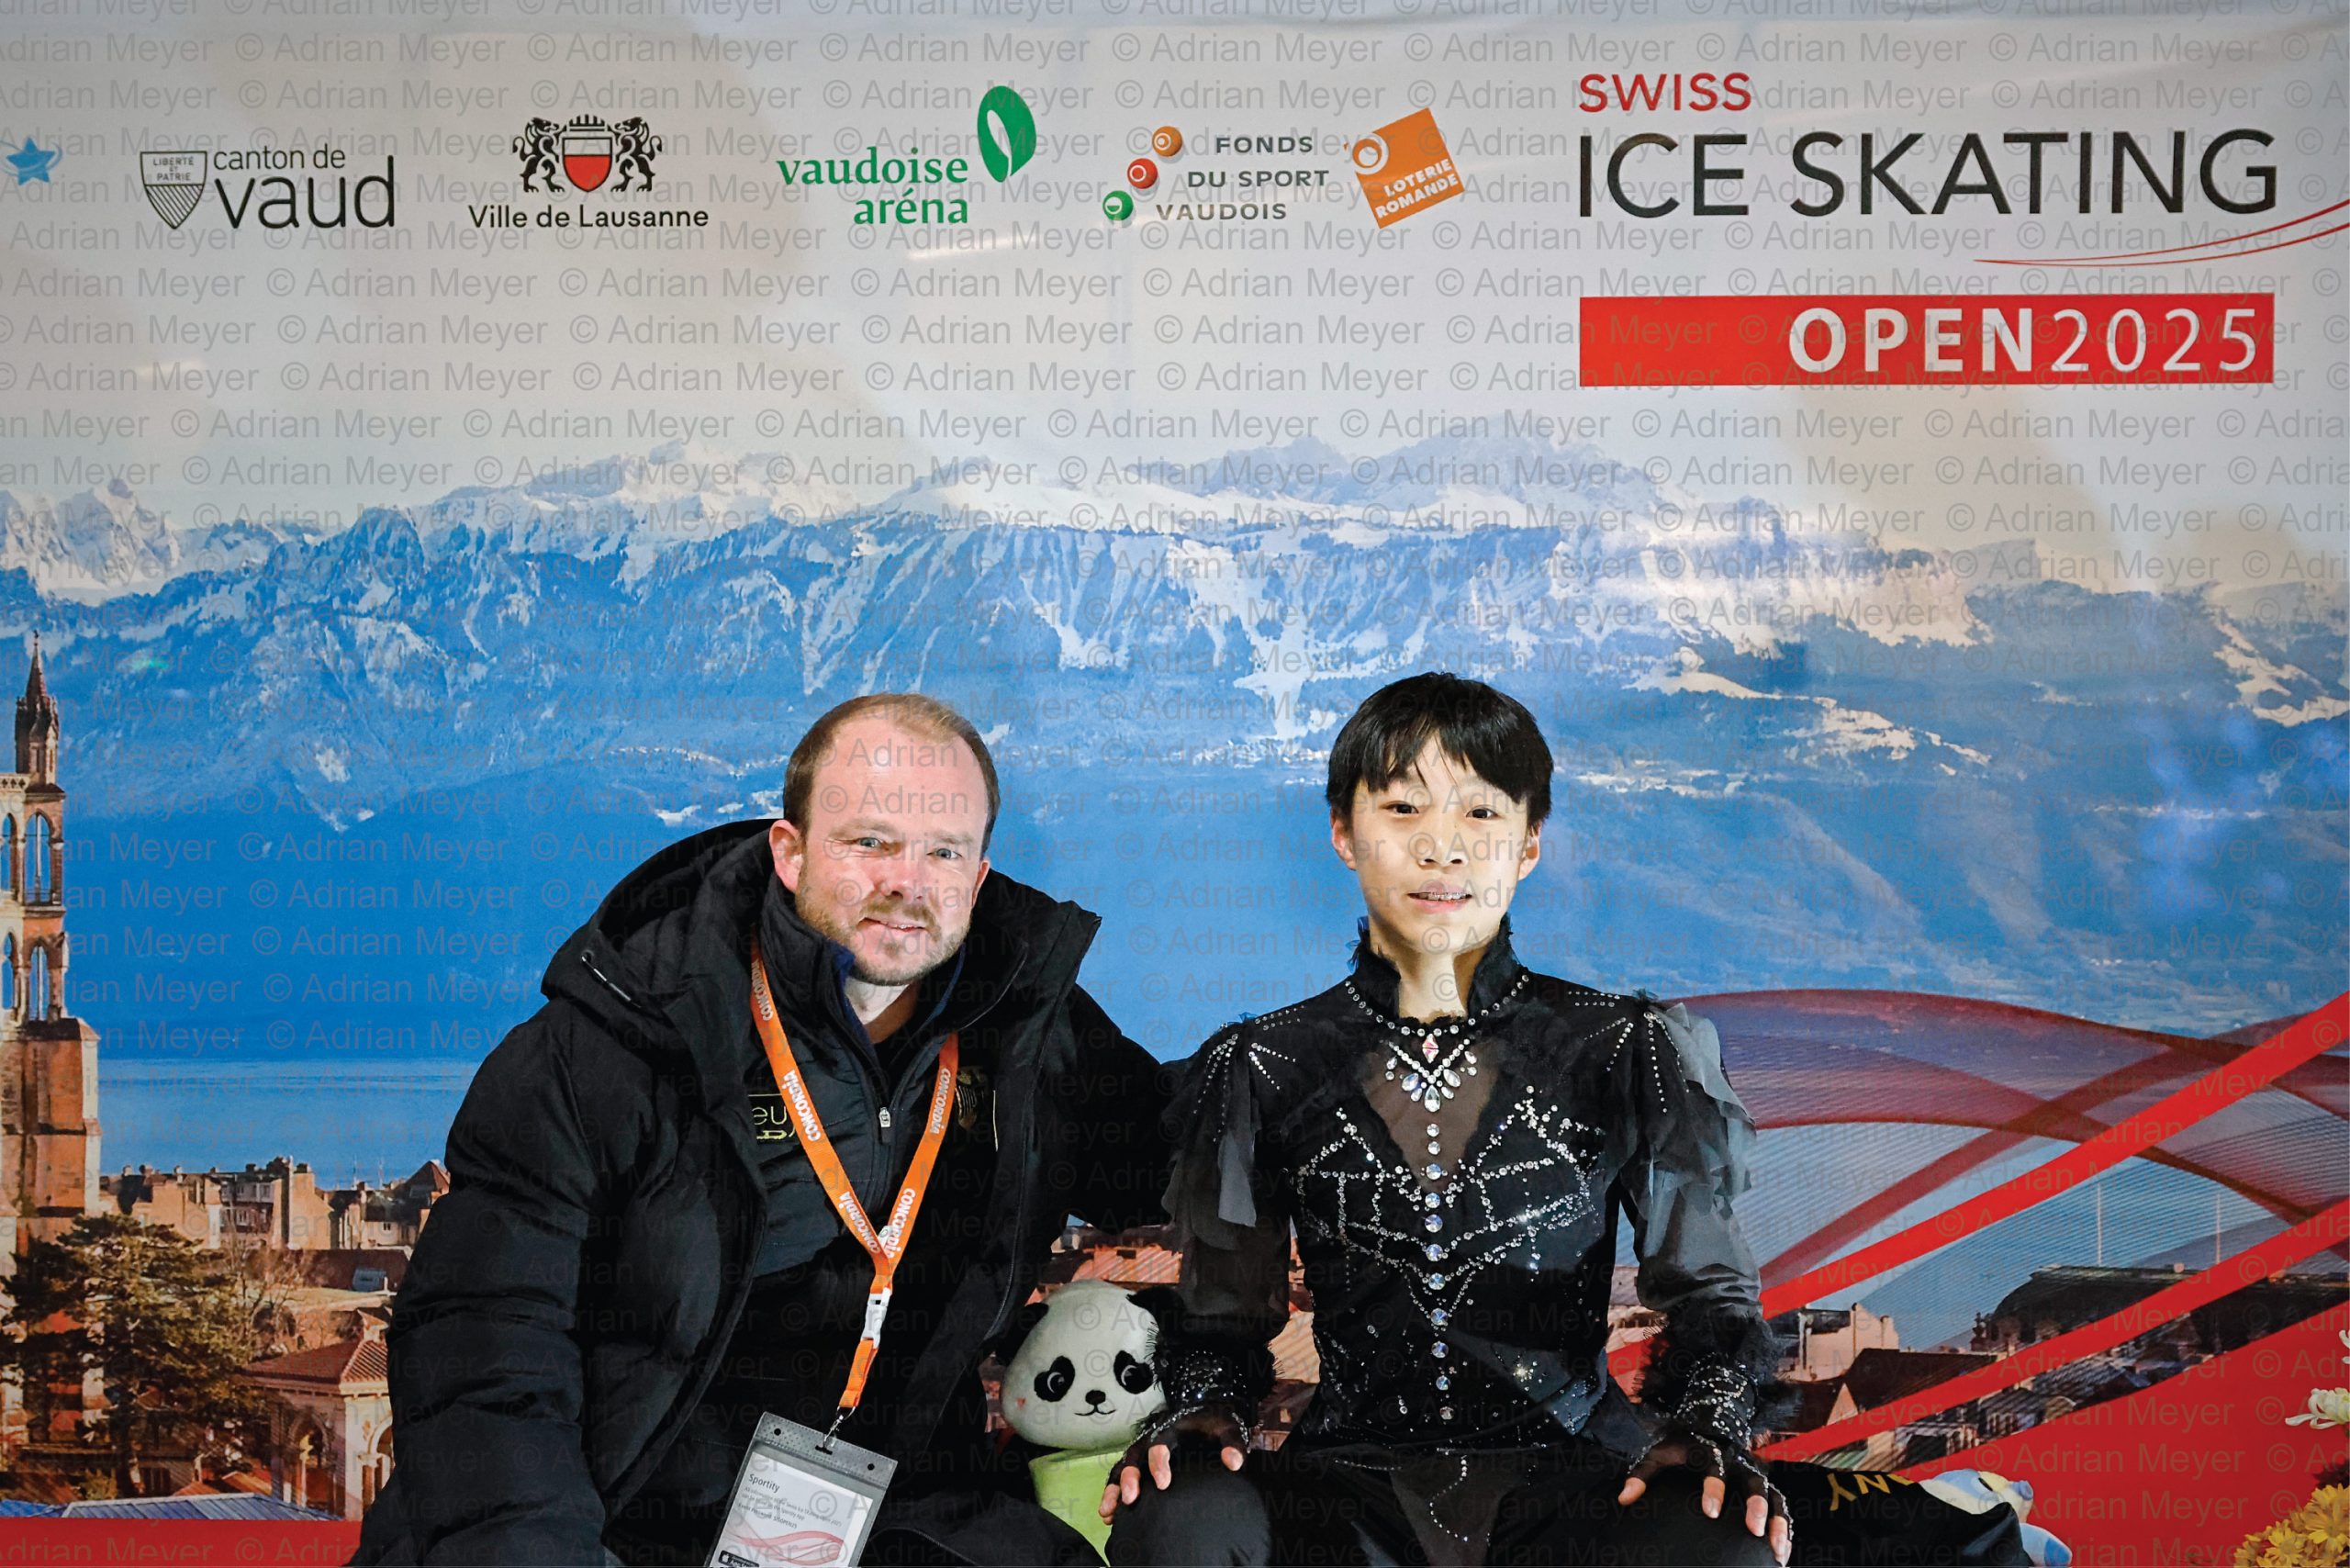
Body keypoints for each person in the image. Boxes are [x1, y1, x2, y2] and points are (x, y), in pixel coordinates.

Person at [353, 694, 1171, 1566]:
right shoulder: (613, 1042)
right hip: (615, 1520)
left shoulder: (1027, 1034)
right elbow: (485, 1344)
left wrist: (1204, 1381)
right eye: (871, 842)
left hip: (895, 1522)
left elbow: (1192, 1167)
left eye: (943, 852)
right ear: (790, 852)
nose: (907, 882)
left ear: (976, 879)